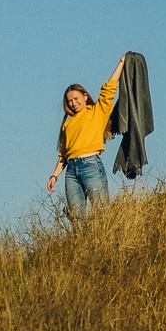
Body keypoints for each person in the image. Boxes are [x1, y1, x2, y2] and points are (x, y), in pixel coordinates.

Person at [48, 55, 126, 217]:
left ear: (84, 96)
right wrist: (54, 176)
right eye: (69, 101)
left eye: (76, 99)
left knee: (101, 211)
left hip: (91, 165)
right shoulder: (67, 124)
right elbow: (63, 154)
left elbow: (109, 88)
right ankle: (82, 242)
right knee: (76, 216)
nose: (73, 103)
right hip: (71, 170)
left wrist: (122, 62)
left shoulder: (97, 111)